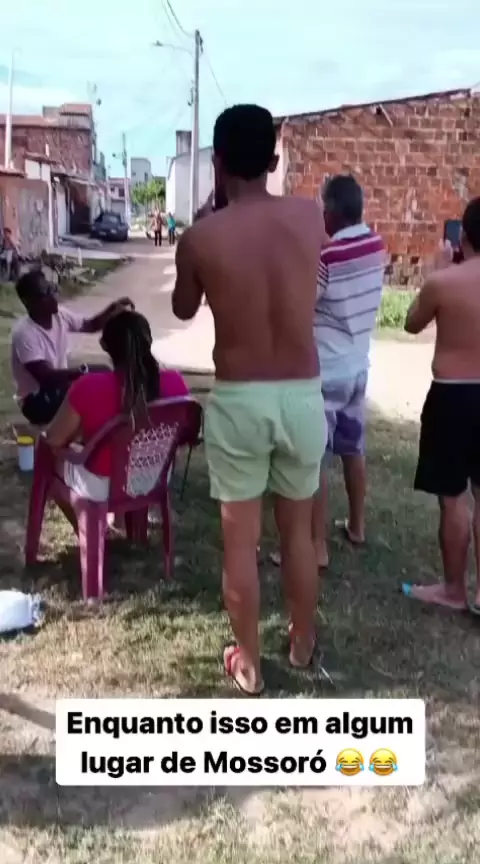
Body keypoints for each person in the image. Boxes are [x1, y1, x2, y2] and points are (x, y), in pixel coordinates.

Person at [172, 104, 327, 695]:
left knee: (241, 542)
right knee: (298, 534)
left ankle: (251, 666)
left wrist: (204, 233)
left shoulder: (202, 237)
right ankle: (303, 640)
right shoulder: (311, 216)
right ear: (274, 159)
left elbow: (183, 308)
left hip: (240, 398)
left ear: (217, 162)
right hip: (302, 393)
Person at [403, 197, 480, 613]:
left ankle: (454, 590)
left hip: (453, 394)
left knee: (453, 497)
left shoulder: (445, 283)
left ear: (463, 236)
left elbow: (411, 322)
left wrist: (437, 272)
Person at [311, 175, 386, 566]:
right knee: (353, 450)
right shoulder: (377, 245)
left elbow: (304, 301)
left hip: (326, 373)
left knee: (316, 460)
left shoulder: (328, 257)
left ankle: (317, 546)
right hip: (358, 368)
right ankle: (357, 526)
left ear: (332, 211)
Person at [45, 310, 189, 502]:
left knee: (47, 454)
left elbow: (53, 439)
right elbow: (183, 436)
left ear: (104, 345)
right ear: (148, 341)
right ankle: (126, 515)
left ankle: (81, 519)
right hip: (156, 477)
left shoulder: (88, 386)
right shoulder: (176, 381)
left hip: (102, 485)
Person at [11, 269, 133, 426]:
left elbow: (90, 325)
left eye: (52, 289)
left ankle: (107, 426)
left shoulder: (59, 315)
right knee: (92, 390)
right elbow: (46, 377)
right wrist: (82, 372)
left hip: (58, 388)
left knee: (104, 373)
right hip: (36, 400)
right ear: (29, 302)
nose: (54, 296)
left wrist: (113, 308)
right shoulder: (24, 333)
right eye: (46, 293)